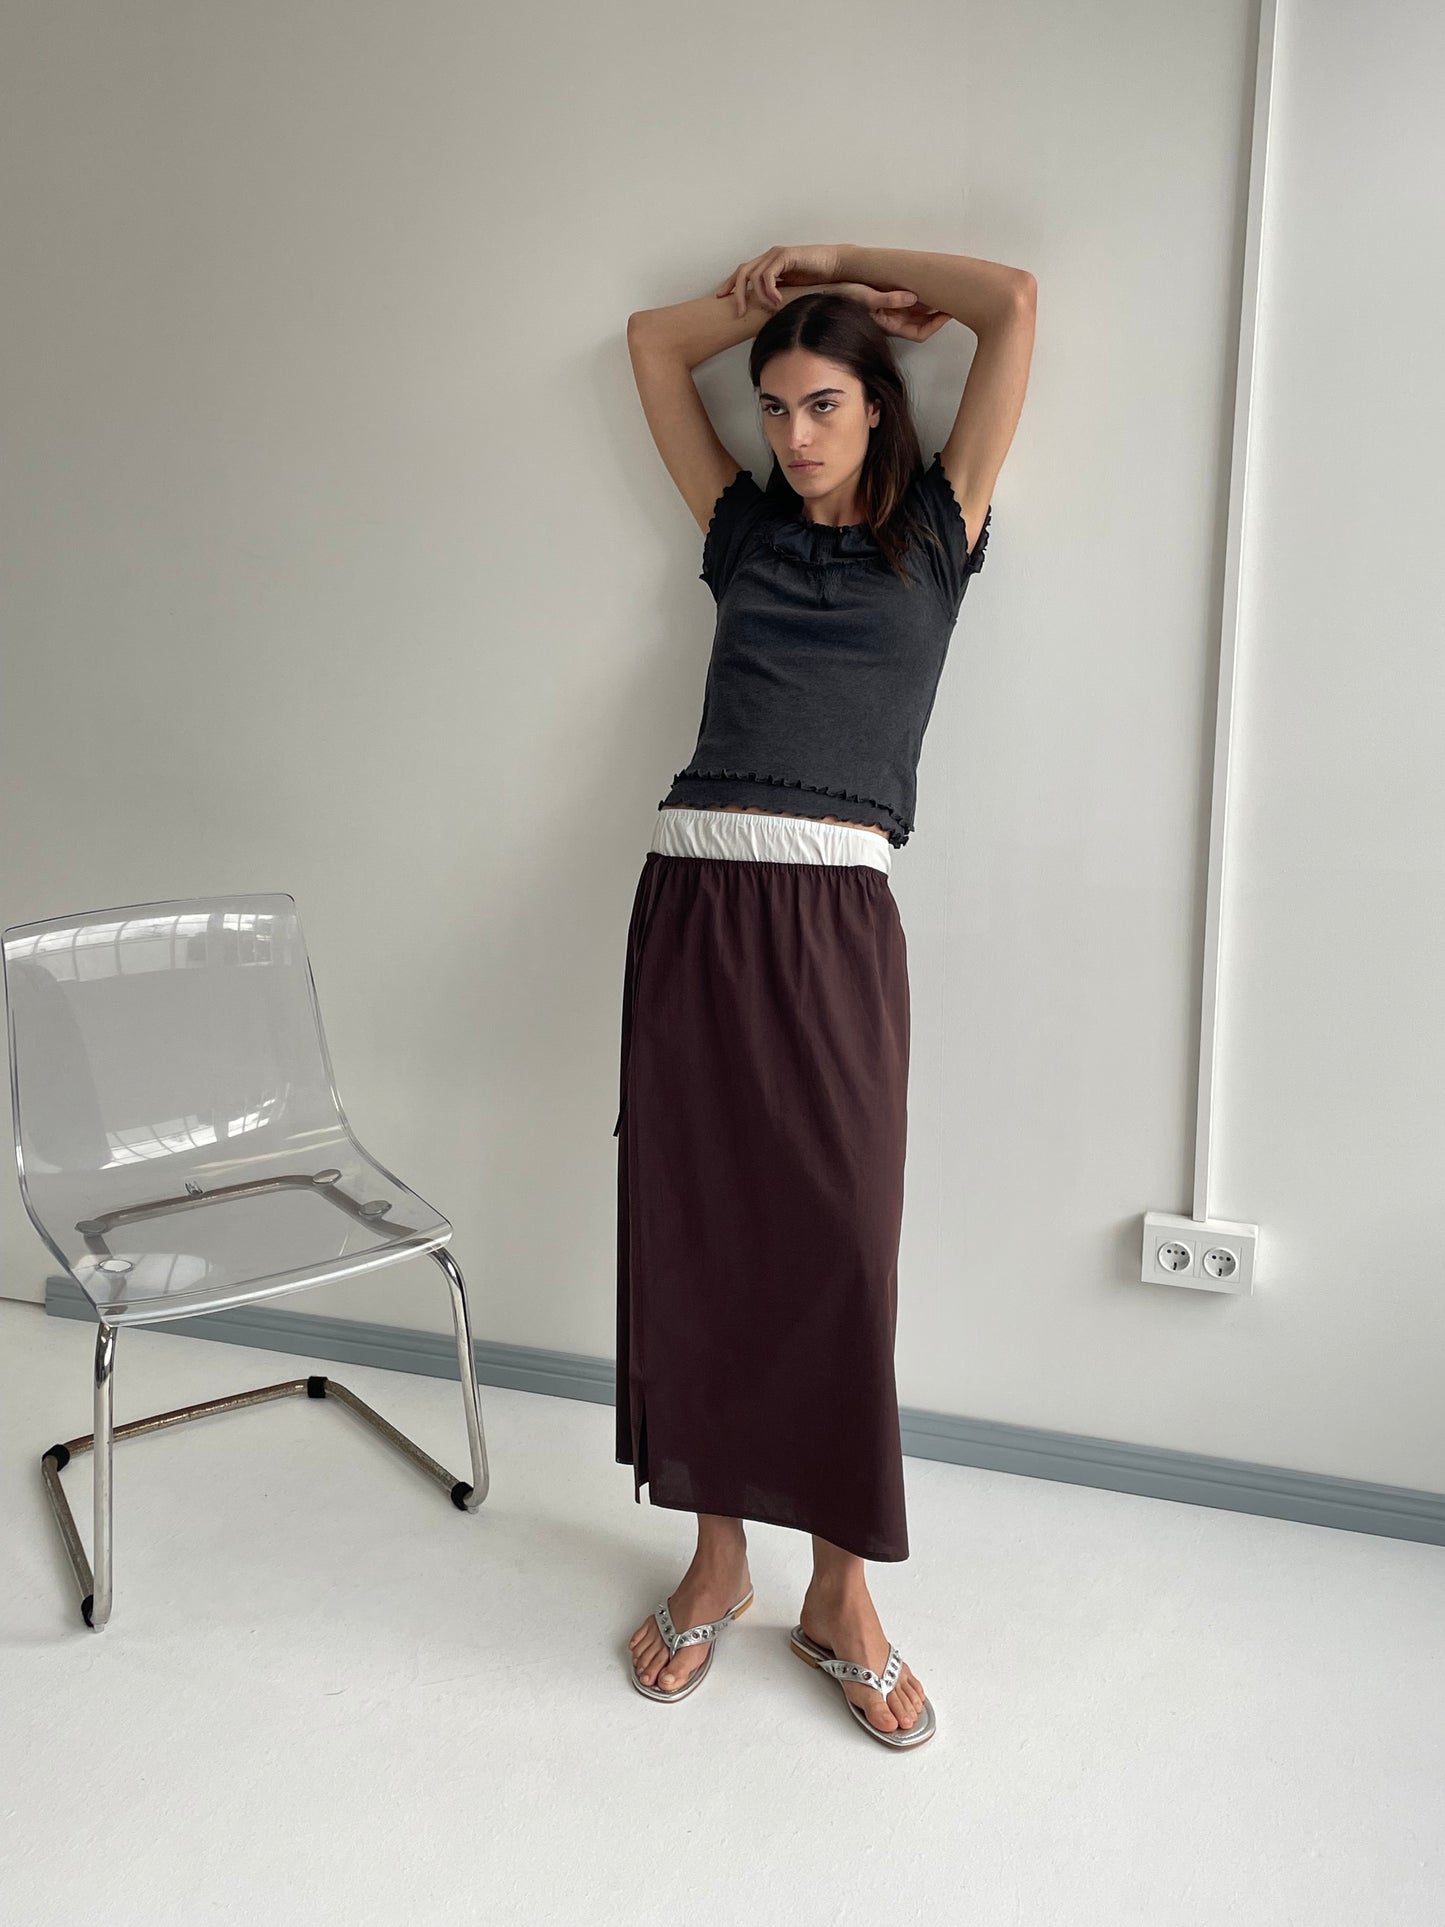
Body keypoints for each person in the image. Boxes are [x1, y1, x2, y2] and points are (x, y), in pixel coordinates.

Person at [615, 243, 1035, 1748]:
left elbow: (1014, 307)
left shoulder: (934, 532)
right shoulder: (739, 533)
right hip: (691, 901)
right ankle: (717, 1562)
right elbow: (648, 347)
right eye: (775, 405)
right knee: (702, 1237)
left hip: (832, 911)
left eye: (821, 404)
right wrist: (750, 304)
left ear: (877, 409)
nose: (790, 435)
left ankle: (839, 1593)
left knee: (842, 1253)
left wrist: (848, 265)